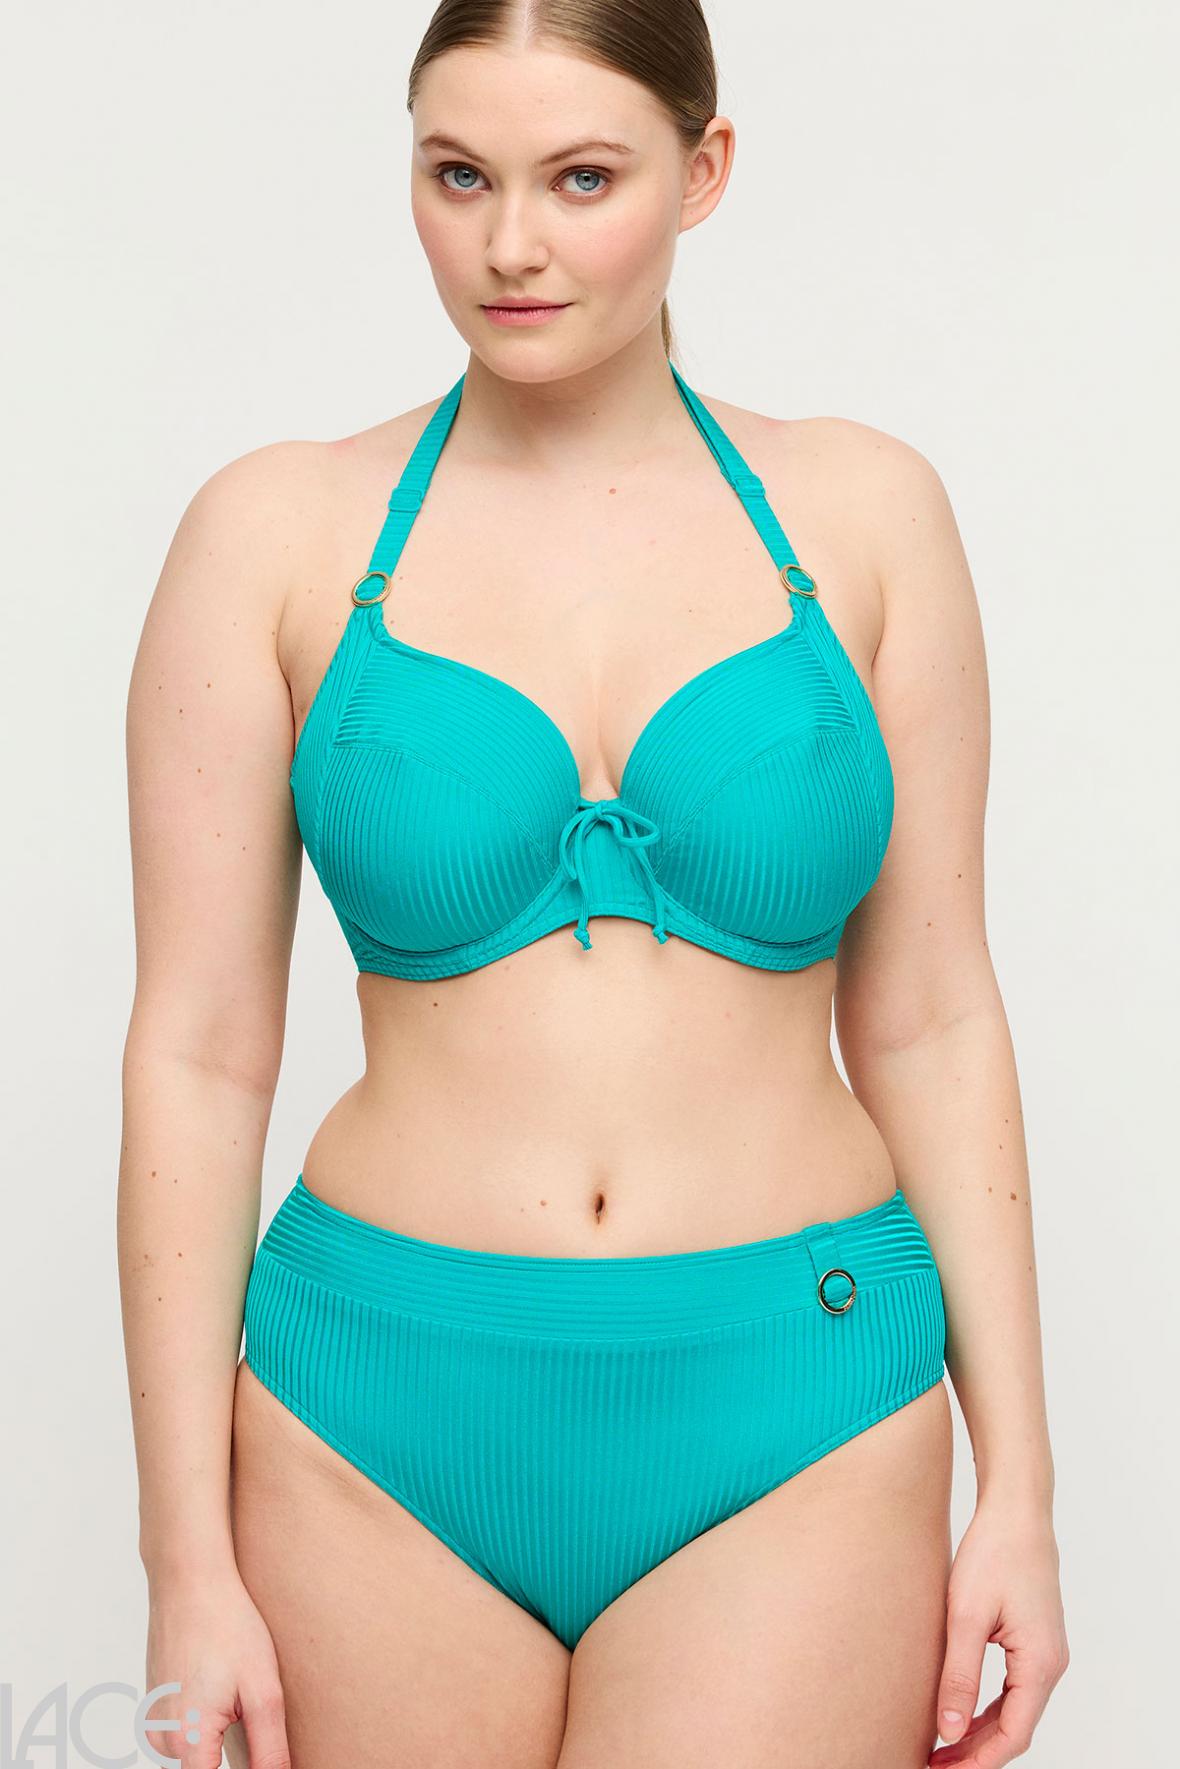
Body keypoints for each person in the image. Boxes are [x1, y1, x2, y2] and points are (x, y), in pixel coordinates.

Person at [118, 3, 1069, 1766]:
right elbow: (197, 1050)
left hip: (797, 1400)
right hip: (368, 1412)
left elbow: (934, 1017)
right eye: (457, 175)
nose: (510, 245)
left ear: (704, 172)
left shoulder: (867, 516)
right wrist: (184, 1552)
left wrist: (1023, 1483)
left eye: (580, 179)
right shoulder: (273, 534)